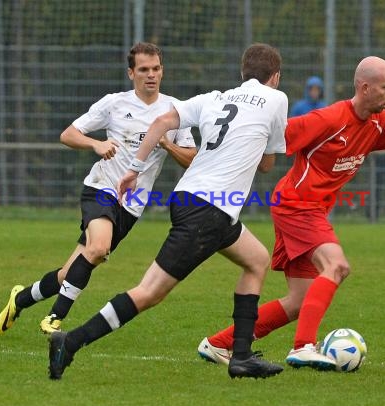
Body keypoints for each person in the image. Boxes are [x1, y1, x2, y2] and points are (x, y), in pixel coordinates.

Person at [197, 56, 385, 370]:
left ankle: (218, 343)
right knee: (336, 266)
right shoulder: (328, 119)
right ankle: (304, 347)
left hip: (305, 208)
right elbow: (273, 136)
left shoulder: (380, 123)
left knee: (298, 301)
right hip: (297, 205)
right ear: (365, 87)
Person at [46, 43, 289, 380]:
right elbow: (267, 164)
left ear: (242, 74)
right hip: (209, 211)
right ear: (274, 77)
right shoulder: (277, 99)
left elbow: (161, 122)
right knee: (149, 293)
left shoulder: (215, 98)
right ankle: (70, 342)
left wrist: (134, 168)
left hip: (194, 200)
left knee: (257, 260)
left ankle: (241, 355)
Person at [0, 42, 197, 335]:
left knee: (71, 271)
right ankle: (54, 318)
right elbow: (68, 134)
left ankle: (20, 299)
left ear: (162, 71)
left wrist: (167, 142)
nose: (150, 75)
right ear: (131, 73)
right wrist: (96, 143)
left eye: (155, 69)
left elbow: (191, 158)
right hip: (101, 188)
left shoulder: (175, 111)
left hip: (132, 204)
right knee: (99, 248)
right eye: (143, 69)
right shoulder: (115, 103)